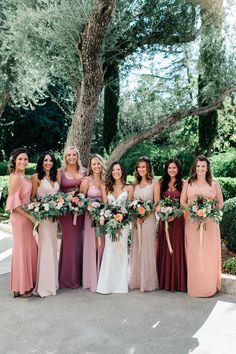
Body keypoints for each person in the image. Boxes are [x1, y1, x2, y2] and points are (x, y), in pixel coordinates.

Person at [180, 155, 223, 297]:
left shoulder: (214, 183)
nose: (200, 169)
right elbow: (183, 202)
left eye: (203, 166)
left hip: (210, 224)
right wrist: (194, 214)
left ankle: (209, 287)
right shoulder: (189, 182)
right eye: (198, 166)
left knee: (208, 253)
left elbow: (220, 203)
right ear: (195, 167)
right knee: (194, 254)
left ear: (207, 168)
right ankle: (195, 287)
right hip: (192, 224)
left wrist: (208, 214)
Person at [96, 162, 133, 294]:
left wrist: (123, 217)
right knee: (110, 250)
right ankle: (107, 284)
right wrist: (108, 218)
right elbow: (106, 205)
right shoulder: (106, 186)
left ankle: (120, 285)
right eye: (114, 170)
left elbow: (130, 207)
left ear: (122, 171)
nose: (116, 172)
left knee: (121, 251)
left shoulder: (129, 187)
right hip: (110, 224)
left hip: (123, 225)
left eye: (118, 169)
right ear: (111, 172)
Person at [5, 148, 37, 298]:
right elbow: (13, 204)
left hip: (27, 217)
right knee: (22, 251)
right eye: (20, 159)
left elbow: (28, 199)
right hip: (20, 218)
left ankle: (21, 286)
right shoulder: (16, 177)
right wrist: (30, 217)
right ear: (14, 161)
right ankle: (22, 288)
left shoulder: (25, 177)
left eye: (25, 159)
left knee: (28, 249)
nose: (23, 162)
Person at [129, 156, 159, 292]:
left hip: (149, 220)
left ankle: (148, 282)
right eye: (139, 167)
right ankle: (136, 281)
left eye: (144, 167)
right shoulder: (134, 185)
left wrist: (145, 215)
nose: (141, 169)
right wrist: (137, 215)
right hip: (136, 221)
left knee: (147, 248)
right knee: (136, 247)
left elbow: (156, 202)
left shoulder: (154, 183)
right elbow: (130, 203)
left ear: (148, 169)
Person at [31, 151, 59, 297]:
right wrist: (39, 210)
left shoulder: (55, 177)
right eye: (46, 160)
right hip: (43, 219)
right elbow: (31, 199)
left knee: (52, 248)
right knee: (45, 249)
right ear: (41, 162)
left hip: (54, 220)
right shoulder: (36, 177)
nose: (48, 163)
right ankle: (44, 286)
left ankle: (52, 283)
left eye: (51, 160)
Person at [58, 146, 87, 289]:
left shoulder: (84, 172)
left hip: (80, 212)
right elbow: (55, 190)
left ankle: (79, 277)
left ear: (78, 156)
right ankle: (67, 278)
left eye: (74, 155)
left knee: (79, 242)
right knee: (69, 242)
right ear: (65, 157)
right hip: (65, 214)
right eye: (68, 155)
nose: (71, 157)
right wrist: (66, 199)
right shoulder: (60, 172)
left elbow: (87, 191)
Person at [156, 158, 187, 292]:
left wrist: (175, 214)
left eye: (174, 168)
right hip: (164, 220)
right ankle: (163, 281)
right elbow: (157, 202)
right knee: (164, 248)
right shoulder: (161, 182)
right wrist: (163, 213)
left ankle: (177, 281)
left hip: (178, 221)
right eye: (169, 168)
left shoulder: (184, 183)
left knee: (177, 248)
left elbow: (184, 204)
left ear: (178, 169)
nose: (172, 170)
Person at [80, 154, 106, 292]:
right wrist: (89, 207)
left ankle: (102, 276)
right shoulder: (86, 181)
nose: (97, 166)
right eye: (94, 164)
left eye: (98, 163)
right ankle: (91, 278)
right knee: (92, 245)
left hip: (103, 217)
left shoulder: (106, 180)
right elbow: (80, 200)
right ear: (90, 166)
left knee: (102, 245)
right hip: (90, 217)